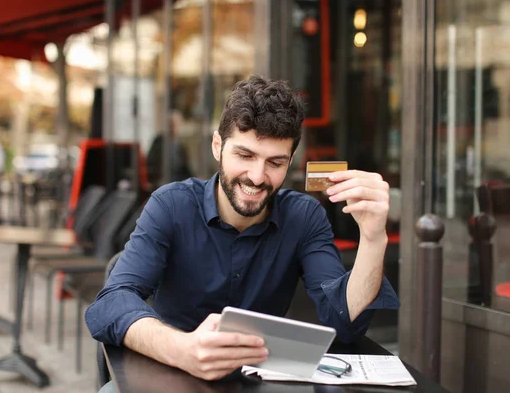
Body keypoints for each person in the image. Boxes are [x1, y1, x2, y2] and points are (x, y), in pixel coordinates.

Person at [86, 75, 399, 389]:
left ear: (291, 161)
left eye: (275, 162)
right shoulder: (171, 206)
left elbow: (345, 323)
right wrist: (183, 349)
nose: (257, 176)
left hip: (257, 382)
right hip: (171, 374)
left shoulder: (304, 217)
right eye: (245, 156)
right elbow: (109, 306)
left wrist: (374, 237)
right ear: (217, 146)